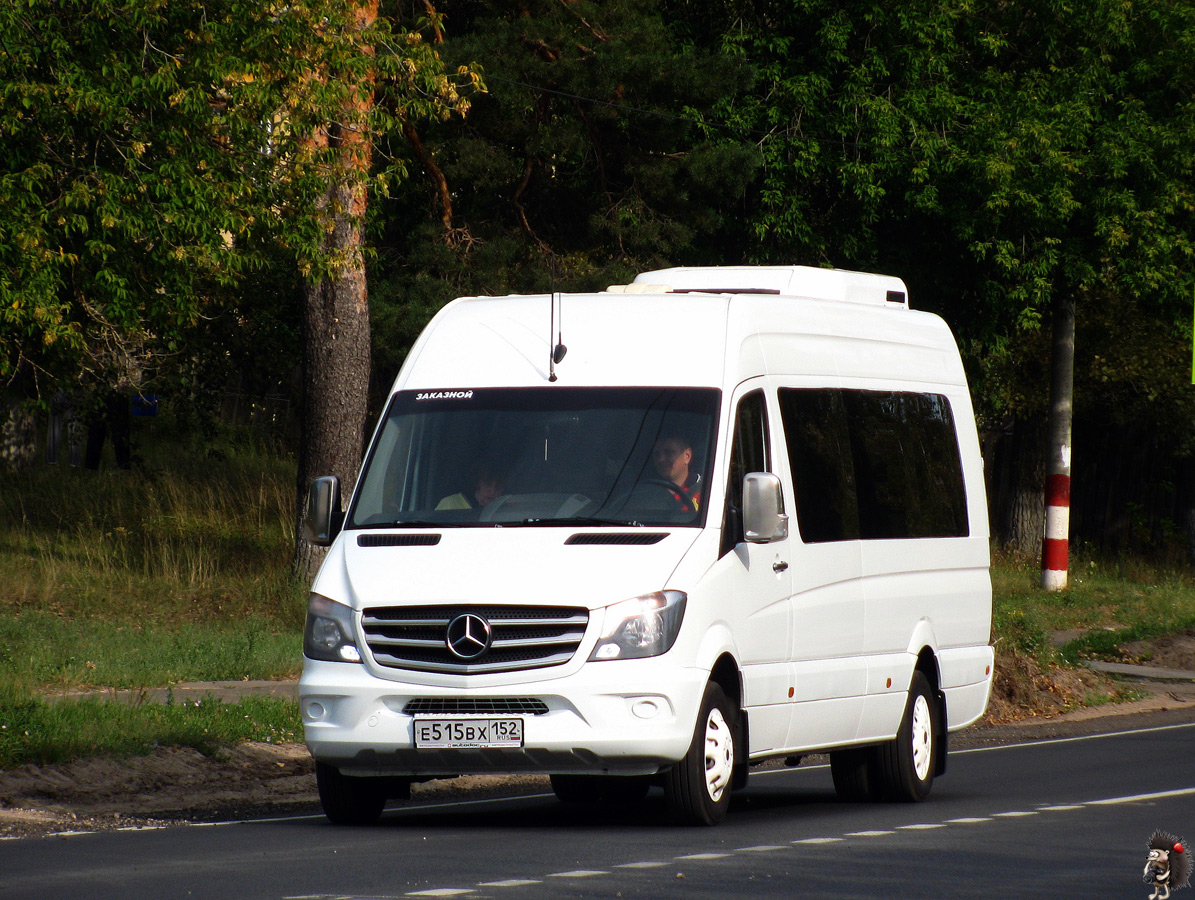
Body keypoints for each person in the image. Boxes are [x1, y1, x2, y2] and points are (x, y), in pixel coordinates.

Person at [651, 434, 701, 510]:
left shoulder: (707, 491)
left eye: (669, 453)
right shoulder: (645, 493)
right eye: (657, 455)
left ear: (687, 456)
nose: (661, 459)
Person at [436, 462, 506, 510]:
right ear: (477, 484)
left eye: (498, 486)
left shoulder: (506, 510)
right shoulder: (450, 504)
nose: (492, 490)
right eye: (488, 484)